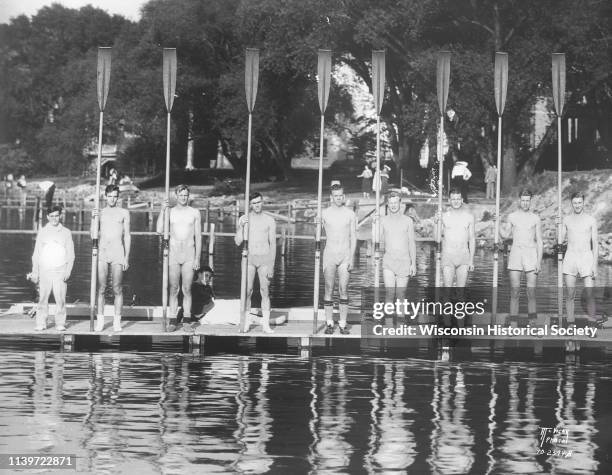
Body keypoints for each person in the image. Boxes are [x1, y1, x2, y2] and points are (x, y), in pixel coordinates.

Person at [156, 184, 202, 327]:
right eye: (181, 195)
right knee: (174, 288)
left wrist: (197, 258)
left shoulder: (194, 212)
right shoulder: (170, 212)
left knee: (187, 288)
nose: (183, 198)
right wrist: (162, 211)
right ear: (176, 196)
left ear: (188, 196)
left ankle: (187, 320)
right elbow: (159, 230)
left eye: (185, 195)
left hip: (189, 253)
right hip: (173, 254)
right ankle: (173, 320)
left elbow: (199, 237)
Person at [235, 192, 277, 333]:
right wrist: (241, 226)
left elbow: (273, 245)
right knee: (247, 291)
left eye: (259, 202)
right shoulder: (245, 219)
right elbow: (237, 241)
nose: (257, 205)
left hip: (264, 259)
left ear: (262, 202)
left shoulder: (269, 220)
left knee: (265, 291)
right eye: (254, 203)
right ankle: (246, 322)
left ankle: (266, 324)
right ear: (250, 205)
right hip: (249, 259)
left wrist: (271, 265)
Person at [91, 184, 131, 331]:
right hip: (102, 252)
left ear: (118, 197)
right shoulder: (100, 212)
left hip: (118, 252)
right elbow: (92, 235)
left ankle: (117, 321)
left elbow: (127, 236)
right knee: (101, 288)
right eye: (110, 196)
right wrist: (93, 218)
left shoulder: (124, 213)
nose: (112, 199)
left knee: (117, 288)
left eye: (115, 196)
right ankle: (100, 320)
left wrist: (126, 257)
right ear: (105, 196)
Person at [500, 190, 543, 321]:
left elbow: (539, 241)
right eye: (523, 200)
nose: (525, 203)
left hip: (531, 255)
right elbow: (505, 235)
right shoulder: (512, 216)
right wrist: (496, 223)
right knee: (515, 291)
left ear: (531, 201)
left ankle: (533, 323)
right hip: (516, 255)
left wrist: (539, 262)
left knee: (531, 292)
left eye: (527, 200)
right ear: (519, 200)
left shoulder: (535, 218)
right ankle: (513, 324)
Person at [30, 205, 75, 331]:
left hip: (61, 270)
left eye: (57, 215)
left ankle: (60, 323)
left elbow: (71, 254)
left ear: (60, 215)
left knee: (60, 299)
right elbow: (36, 254)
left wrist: (68, 270)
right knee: (43, 298)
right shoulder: (43, 232)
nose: (54, 218)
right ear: (47, 217)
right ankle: (41, 323)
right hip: (45, 270)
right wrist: (35, 271)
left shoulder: (66, 232)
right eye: (52, 216)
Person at [561, 192, 601, 325]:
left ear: (583, 202)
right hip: (570, 257)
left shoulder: (591, 220)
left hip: (586, 258)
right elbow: (560, 240)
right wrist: (558, 225)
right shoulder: (566, 219)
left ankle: (591, 324)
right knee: (570, 294)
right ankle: (570, 323)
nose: (577, 205)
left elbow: (595, 243)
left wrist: (594, 265)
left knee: (589, 294)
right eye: (575, 203)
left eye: (579, 202)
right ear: (571, 204)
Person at [321, 184, 357, 334]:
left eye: (341, 195)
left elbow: (354, 237)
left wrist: (352, 258)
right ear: (331, 197)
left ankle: (342, 324)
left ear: (344, 196)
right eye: (336, 196)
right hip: (329, 255)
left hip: (345, 255)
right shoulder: (324, 213)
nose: (339, 198)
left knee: (344, 289)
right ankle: (329, 323)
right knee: (329, 289)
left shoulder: (350, 214)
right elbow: (316, 234)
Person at [380, 191, 416, 316]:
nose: (393, 205)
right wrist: (374, 225)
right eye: (391, 203)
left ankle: (400, 324)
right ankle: (389, 324)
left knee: (401, 294)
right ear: (387, 204)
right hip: (389, 261)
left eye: (396, 203)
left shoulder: (408, 221)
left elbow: (411, 243)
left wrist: (414, 264)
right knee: (390, 293)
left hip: (404, 261)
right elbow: (376, 240)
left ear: (400, 204)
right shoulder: (382, 221)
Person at [437, 188, 475, 287]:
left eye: (458, 199)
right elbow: (435, 238)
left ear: (462, 200)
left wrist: (471, 260)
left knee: (460, 293)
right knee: (447, 291)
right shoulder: (443, 217)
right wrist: (435, 223)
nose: (456, 201)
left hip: (463, 257)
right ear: (449, 201)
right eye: (453, 199)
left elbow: (472, 239)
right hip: (448, 256)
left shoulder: (469, 217)